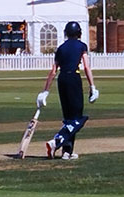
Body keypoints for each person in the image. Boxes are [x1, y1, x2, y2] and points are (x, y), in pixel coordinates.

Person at [37, 21, 98, 159]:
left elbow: (53, 71)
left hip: (62, 80)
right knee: (78, 118)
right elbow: (87, 67)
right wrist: (92, 86)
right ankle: (56, 141)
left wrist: (45, 91)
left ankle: (67, 152)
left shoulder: (61, 48)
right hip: (74, 79)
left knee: (69, 118)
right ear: (79, 33)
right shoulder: (82, 46)